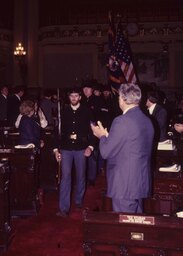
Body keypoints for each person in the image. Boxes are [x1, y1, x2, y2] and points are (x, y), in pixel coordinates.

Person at [91, 83, 154, 213]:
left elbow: (105, 152)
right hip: (139, 181)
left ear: (123, 99)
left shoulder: (121, 121)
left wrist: (102, 136)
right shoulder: (147, 120)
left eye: (119, 96)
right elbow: (132, 144)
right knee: (137, 226)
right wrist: (109, 136)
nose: (118, 99)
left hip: (124, 184)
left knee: (125, 228)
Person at [53, 87, 95, 217]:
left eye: (76, 96)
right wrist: (55, 150)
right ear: (69, 97)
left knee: (81, 176)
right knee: (65, 177)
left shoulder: (87, 111)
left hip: (81, 148)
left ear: (80, 97)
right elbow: (57, 132)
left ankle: (78, 201)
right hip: (65, 148)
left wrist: (91, 147)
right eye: (72, 96)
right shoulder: (63, 112)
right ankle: (63, 208)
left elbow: (93, 130)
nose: (74, 98)